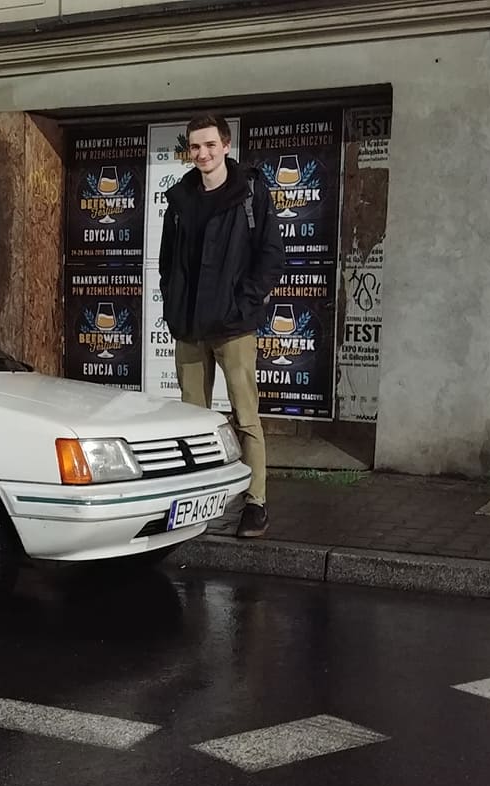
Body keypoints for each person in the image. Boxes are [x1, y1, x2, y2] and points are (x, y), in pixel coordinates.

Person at [158, 113, 285, 538]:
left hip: (233, 327)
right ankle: (197, 501)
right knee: (192, 422)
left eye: (210, 145)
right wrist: (174, 304)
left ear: (226, 146)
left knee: (245, 416)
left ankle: (255, 503)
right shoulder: (180, 198)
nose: (203, 153)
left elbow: (271, 255)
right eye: (195, 146)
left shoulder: (250, 191)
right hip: (189, 327)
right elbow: (167, 262)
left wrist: (243, 303)